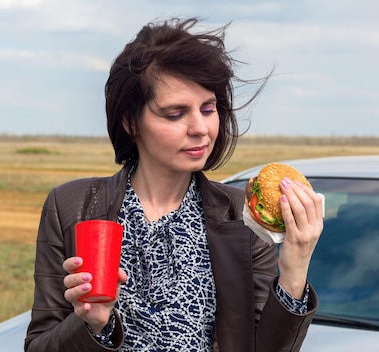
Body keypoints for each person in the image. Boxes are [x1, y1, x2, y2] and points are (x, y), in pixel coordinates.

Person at [24, 17, 323, 352]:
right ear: (130, 121)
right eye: (175, 114)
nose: (200, 128)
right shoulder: (71, 207)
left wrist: (295, 267)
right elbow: (39, 346)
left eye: (208, 109)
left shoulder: (243, 216)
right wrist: (91, 325)